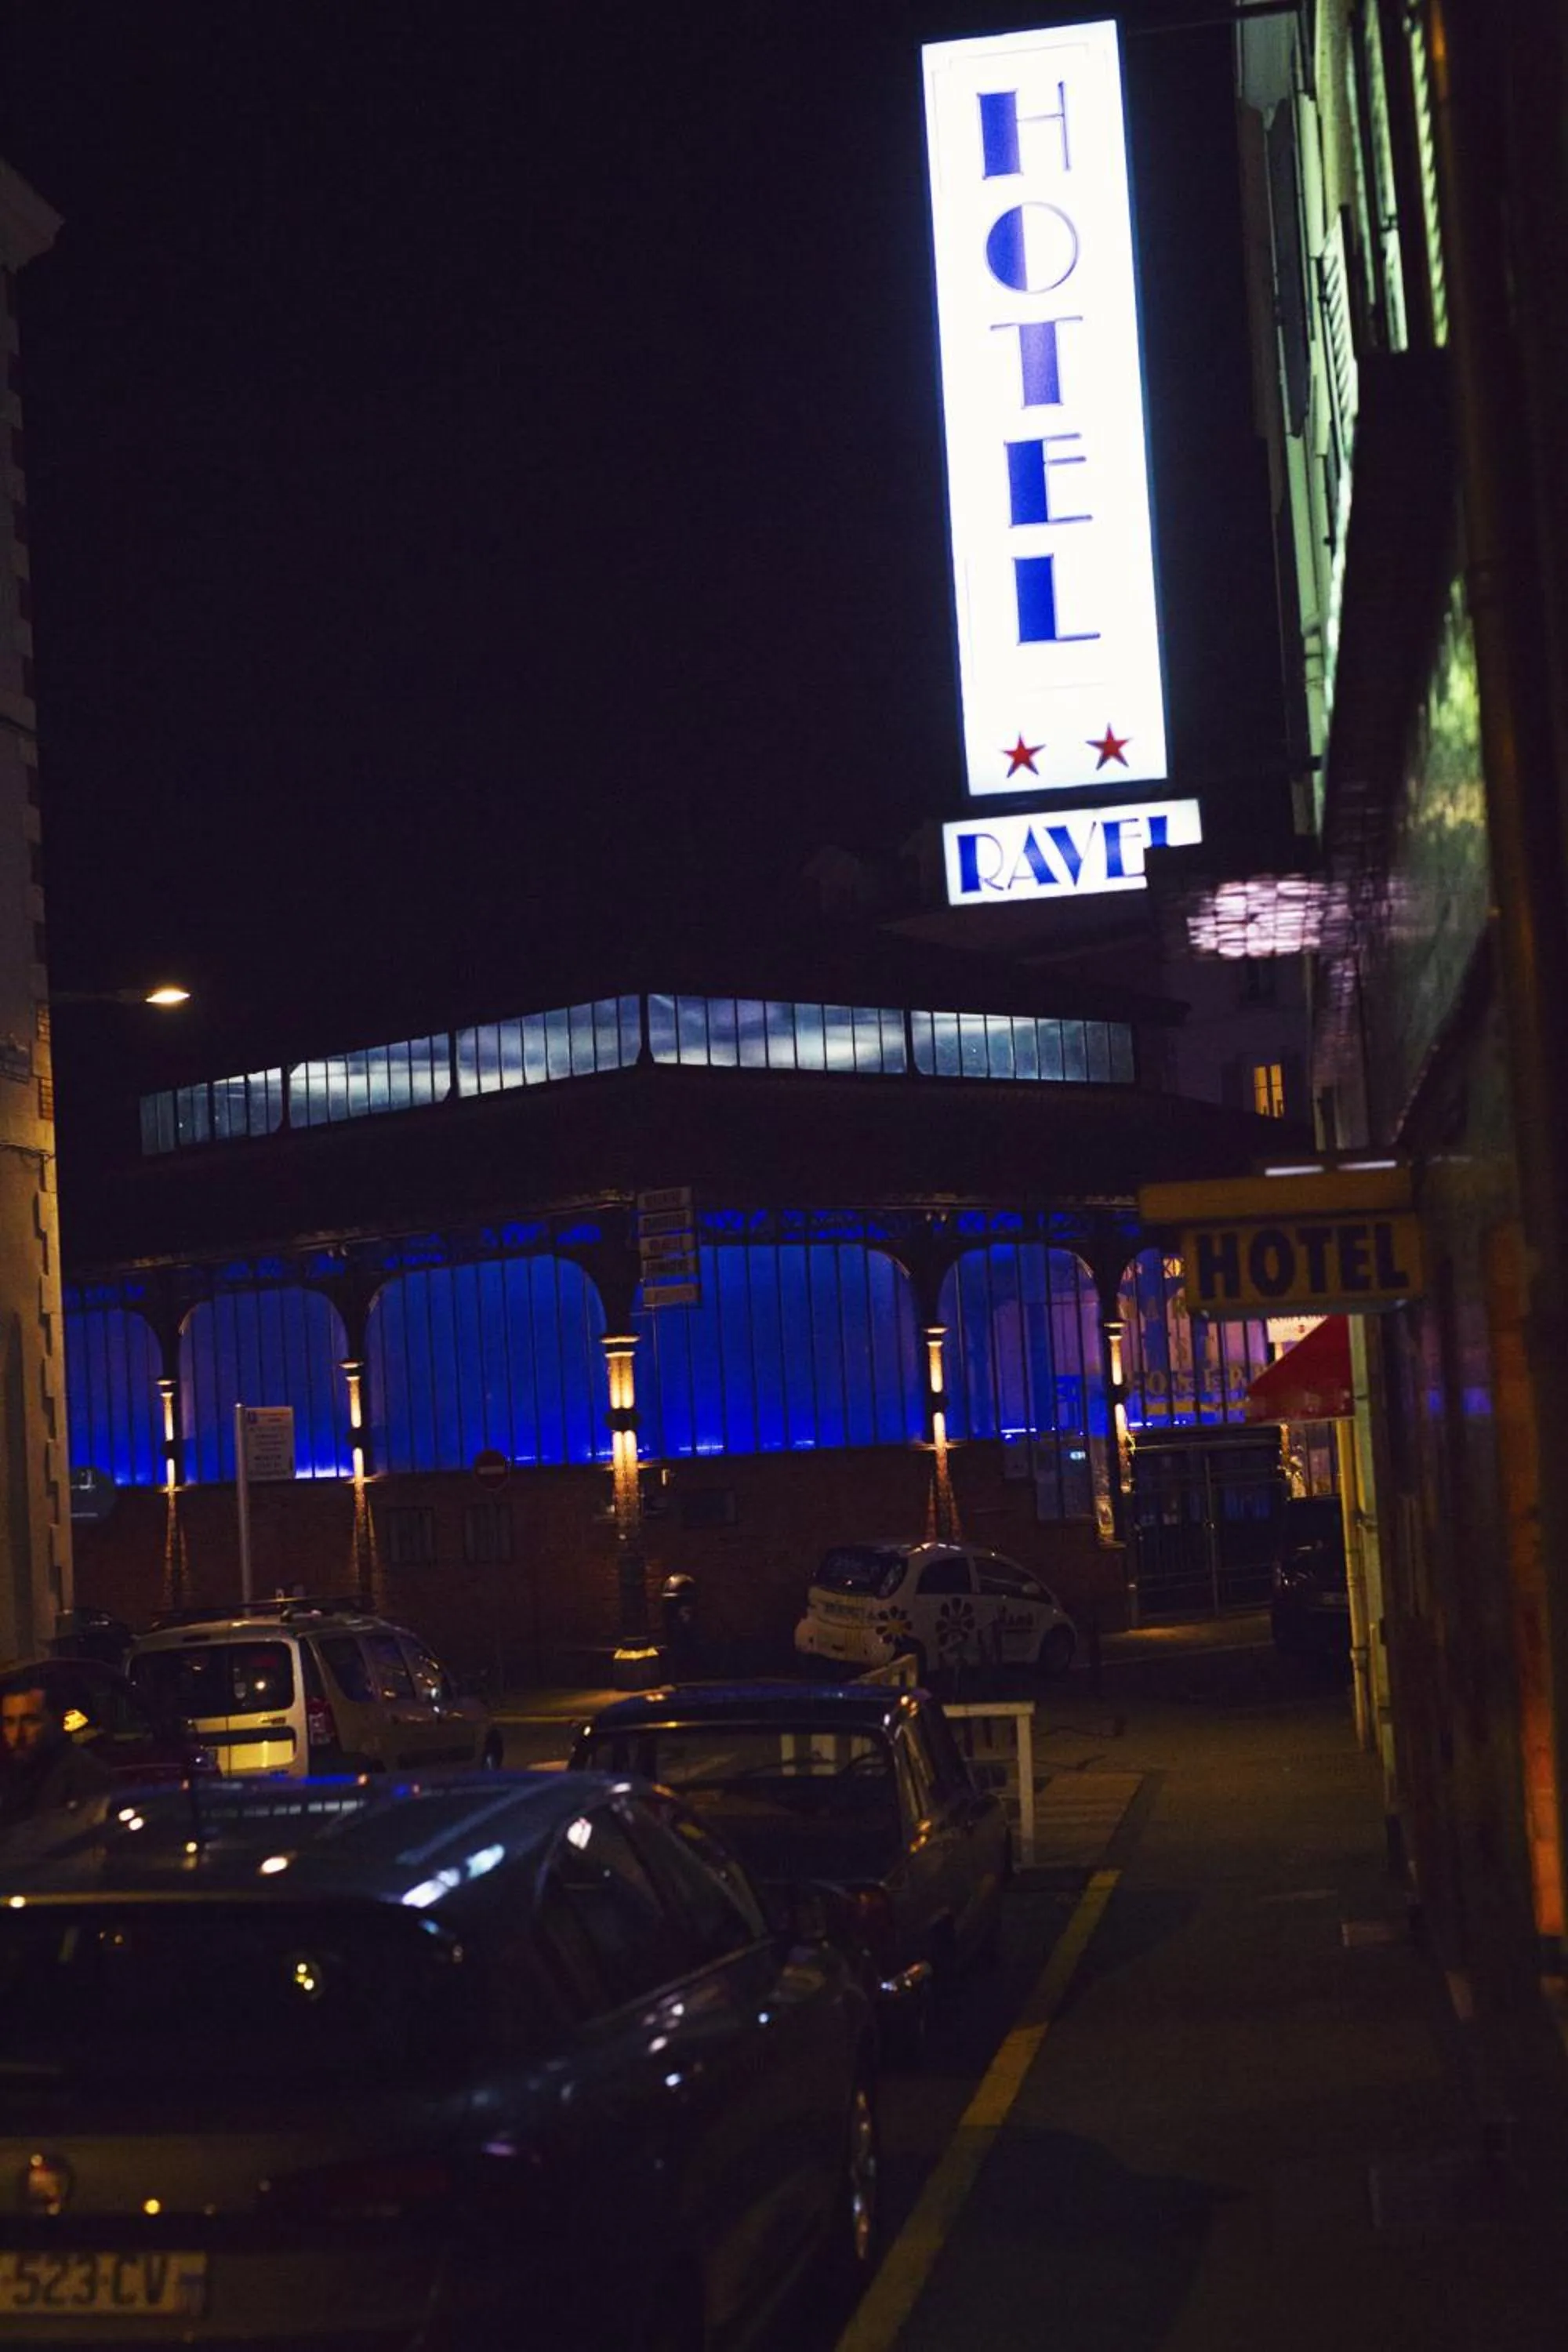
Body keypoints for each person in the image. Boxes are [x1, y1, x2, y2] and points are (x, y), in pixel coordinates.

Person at [0, 1677, 114, 1827]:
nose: (17, 1735)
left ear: (58, 1721)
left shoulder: (85, 1776)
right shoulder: (12, 1774)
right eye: (9, 1722)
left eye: (31, 1721)